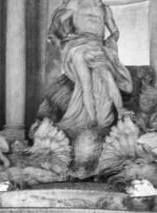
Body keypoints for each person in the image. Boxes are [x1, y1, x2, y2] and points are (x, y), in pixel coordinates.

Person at [47, 0, 134, 133]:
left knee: (109, 78)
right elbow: (59, 21)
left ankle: (121, 110)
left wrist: (110, 42)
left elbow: (115, 31)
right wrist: (58, 39)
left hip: (97, 46)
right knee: (85, 85)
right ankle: (92, 120)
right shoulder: (76, 3)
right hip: (78, 46)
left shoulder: (105, 9)